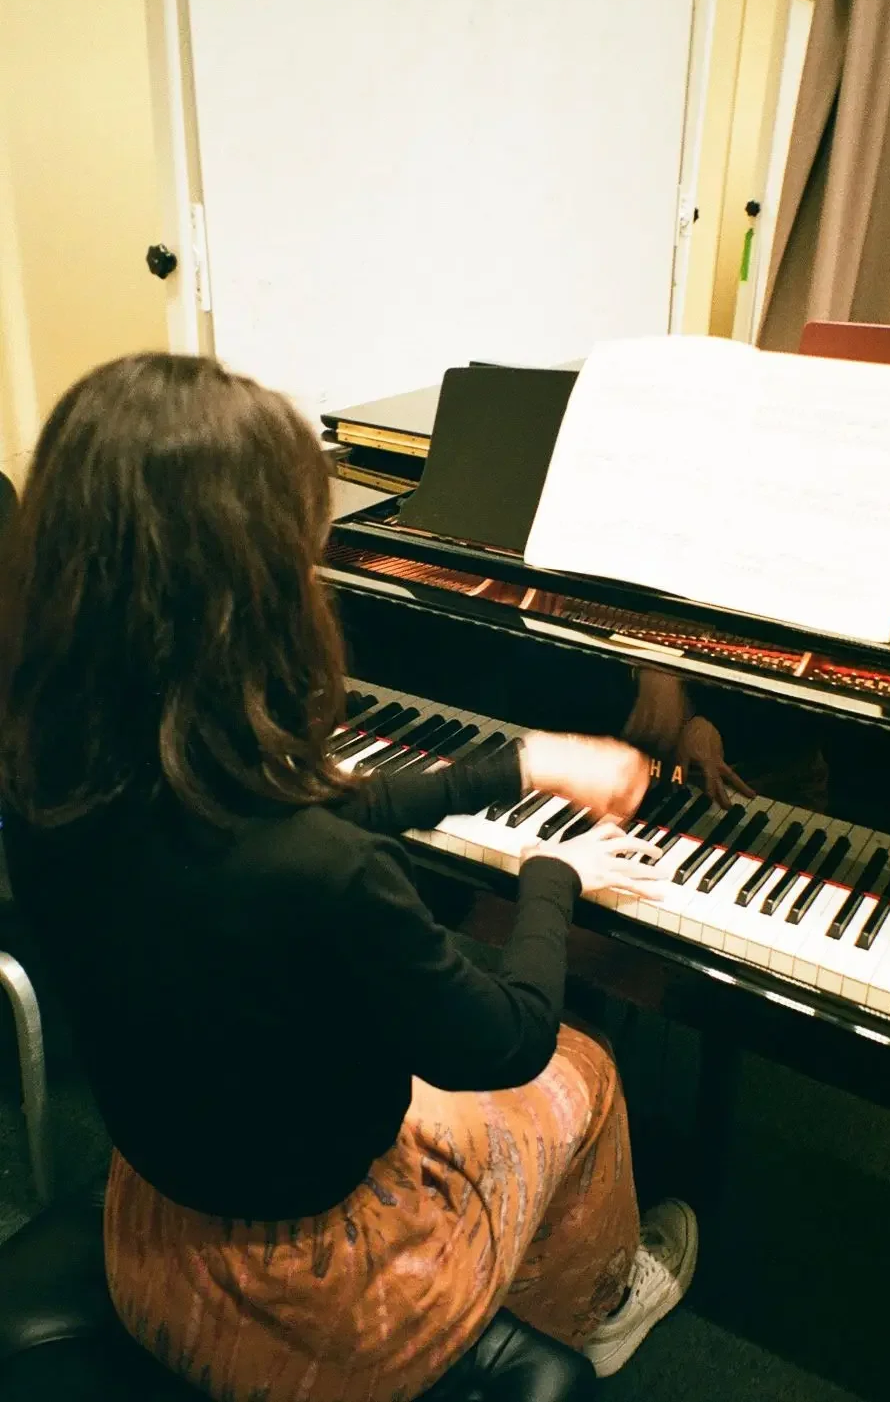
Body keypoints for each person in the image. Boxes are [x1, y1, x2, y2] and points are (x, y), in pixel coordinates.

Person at [0, 354, 699, 1402]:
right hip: (330, 1301)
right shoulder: (321, 873)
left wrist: (513, 767)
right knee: (587, 1072)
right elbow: (507, 1042)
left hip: (154, 1231)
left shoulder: (57, 779)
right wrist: (552, 871)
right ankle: (596, 1313)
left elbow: (284, 830)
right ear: (245, 590)